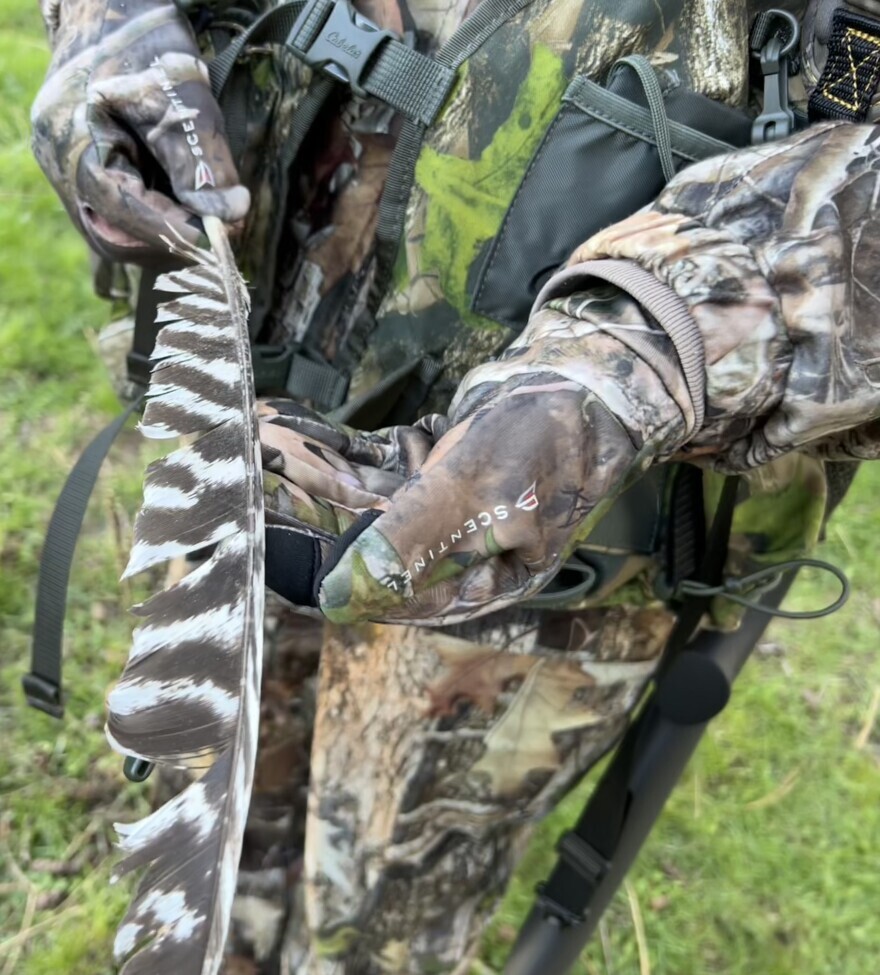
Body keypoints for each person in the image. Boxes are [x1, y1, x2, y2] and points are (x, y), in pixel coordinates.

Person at [30, 0, 880, 972]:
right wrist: (106, 32)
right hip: (249, 413)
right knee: (216, 824)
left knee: (380, 927)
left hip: (554, 559)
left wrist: (654, 347)